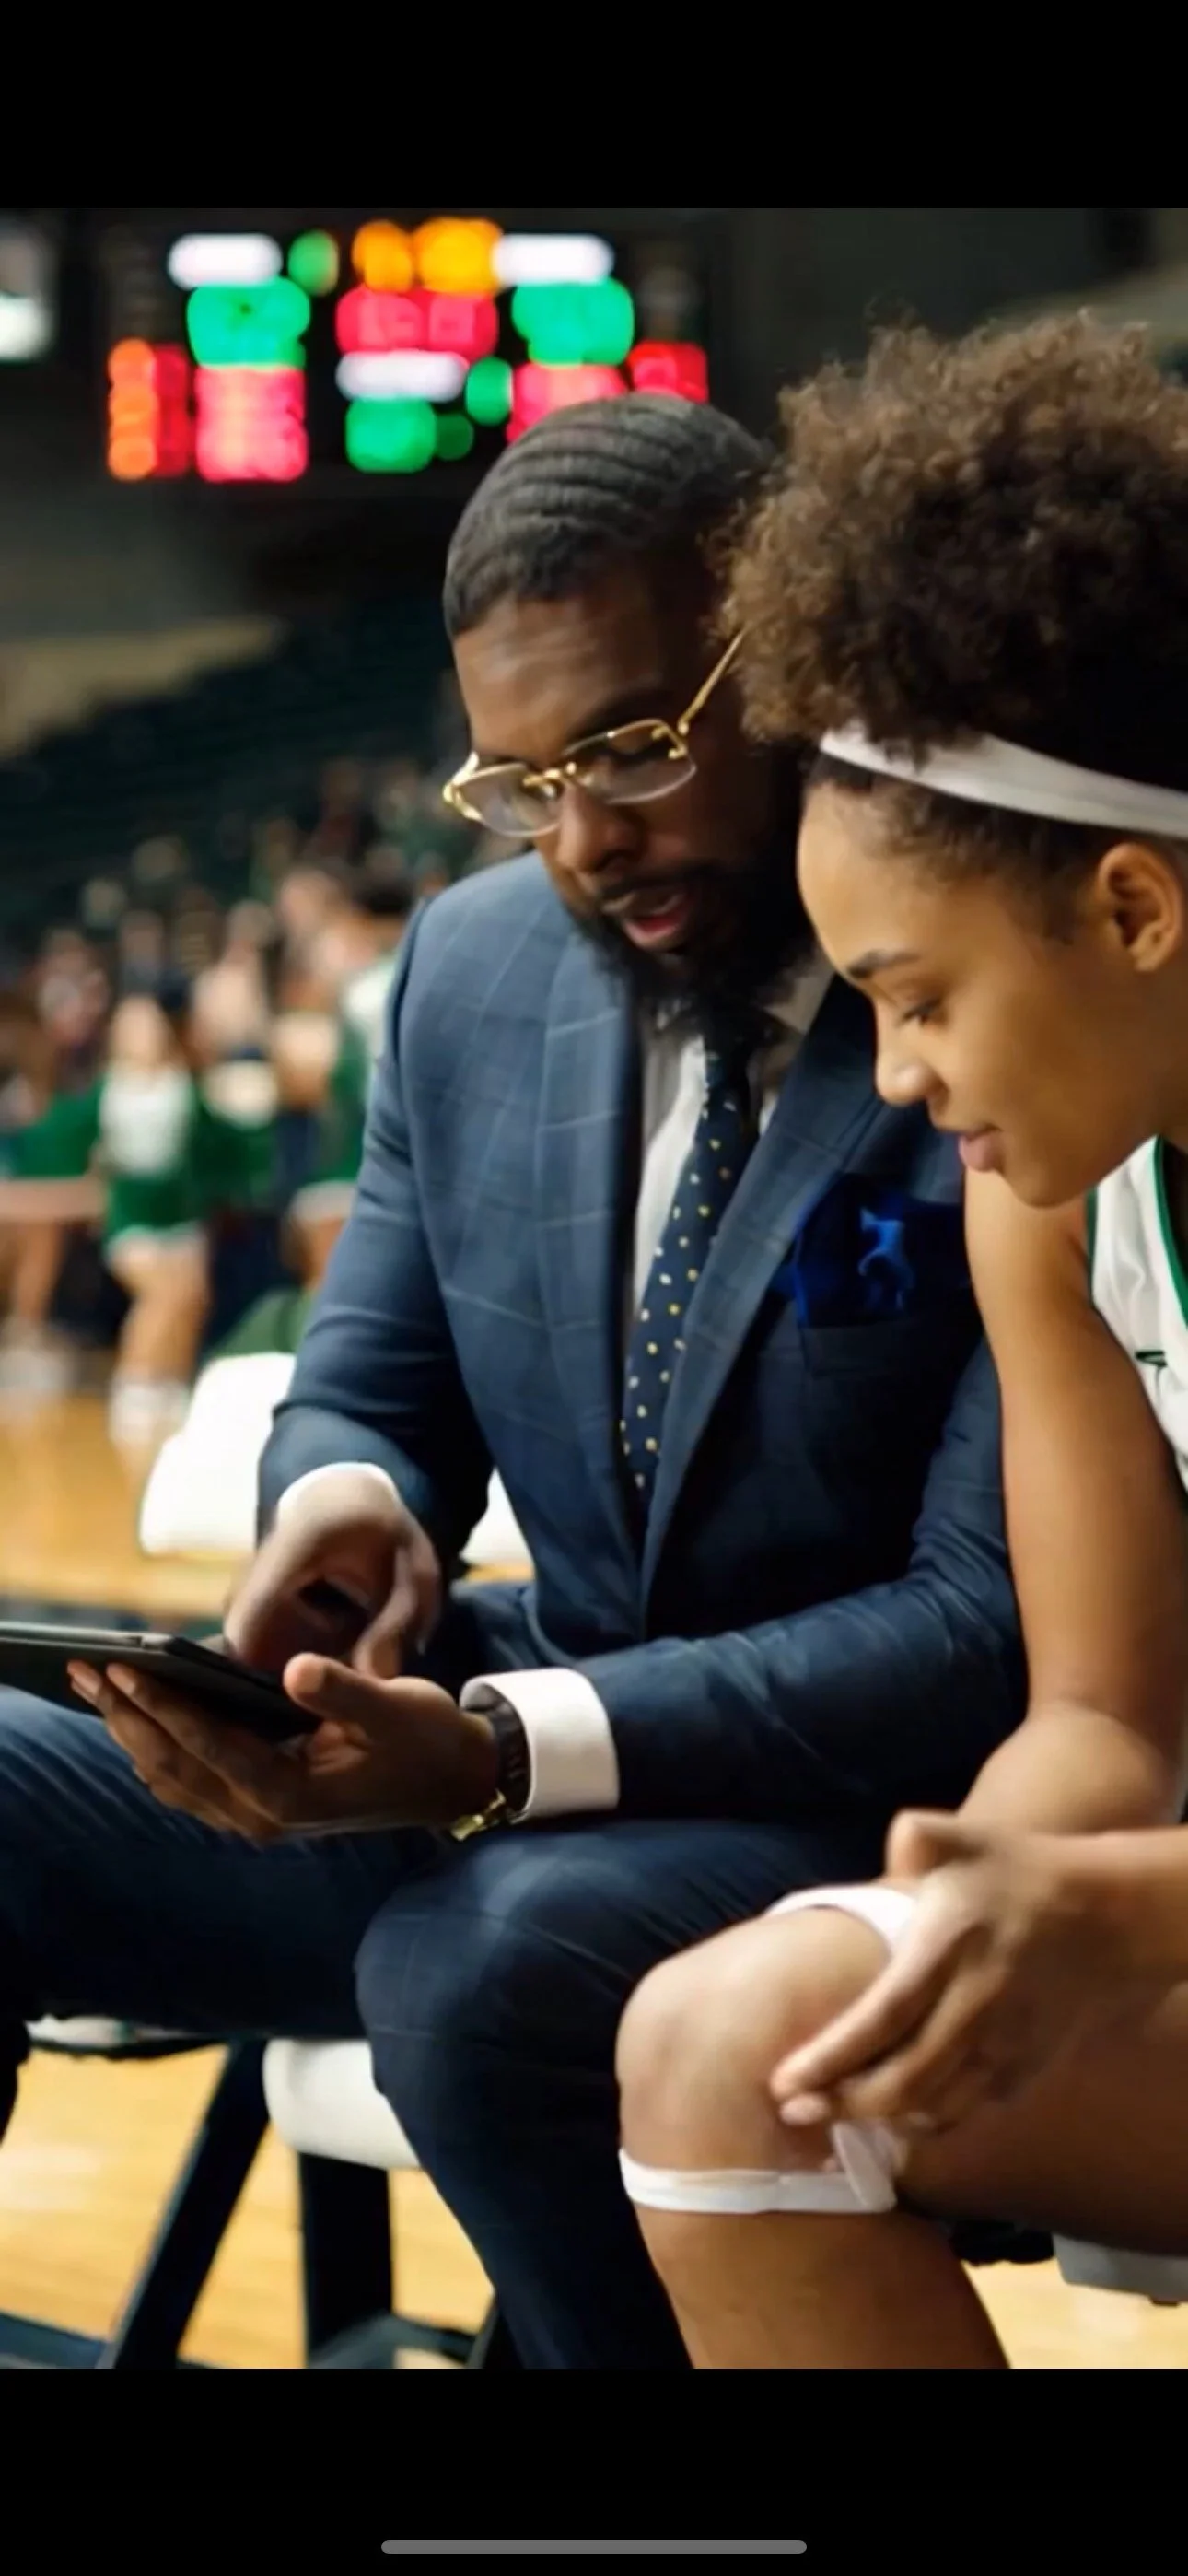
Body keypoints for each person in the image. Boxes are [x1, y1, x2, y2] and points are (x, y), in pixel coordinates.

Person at [0, 392, 1023, 2371]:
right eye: (519, 778)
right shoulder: (470, 972)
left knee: (481, 1971)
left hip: (864, 1805)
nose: (584, 838)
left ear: (797, 658)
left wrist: (498, 1743)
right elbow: (365, 1368)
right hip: (507, 1731)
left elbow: (989, 1629)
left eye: (635, 748)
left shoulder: (985, 977)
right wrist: (346, 1503)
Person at [615, 317, 1188, 2369]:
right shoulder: (1062, 1210)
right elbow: (1111, 1722)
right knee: (736, 2045)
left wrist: (1117, 1914)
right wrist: (966, 1896)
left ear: (1134, 909)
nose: (900, 1076)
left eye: (918, 995)